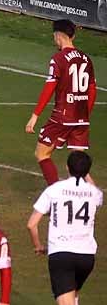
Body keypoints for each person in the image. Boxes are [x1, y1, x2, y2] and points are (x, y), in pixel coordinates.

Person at [26, 150, 102, 305]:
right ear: (86, 170)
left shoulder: (54, 190)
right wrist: (86, 175)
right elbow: (95, 191)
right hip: (86, 257)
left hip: (61, 254)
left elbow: (31, 224)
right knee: (73, 296)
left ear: (67, 168)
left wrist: (38, 246)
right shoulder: (94, 193)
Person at [25, 19, 97, 186]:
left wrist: (35, 115)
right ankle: (95, 195)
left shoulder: (58, 59)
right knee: (78, 165)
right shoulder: (86, 59)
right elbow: (92, 90)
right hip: (81, 117)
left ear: (58, 36)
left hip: (63, 116)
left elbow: (49, 87)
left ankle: (56, 194)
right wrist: (85, 114)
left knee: (41, 153)